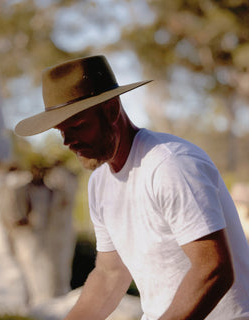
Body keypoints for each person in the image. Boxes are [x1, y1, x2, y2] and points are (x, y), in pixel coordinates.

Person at [15, 55, 249, 320]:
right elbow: (110, 274)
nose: (68, 141)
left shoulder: (170, 165)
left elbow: (213, 269)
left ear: (112, 110)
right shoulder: (100, 183)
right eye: (61, 131)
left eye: (78, 126)